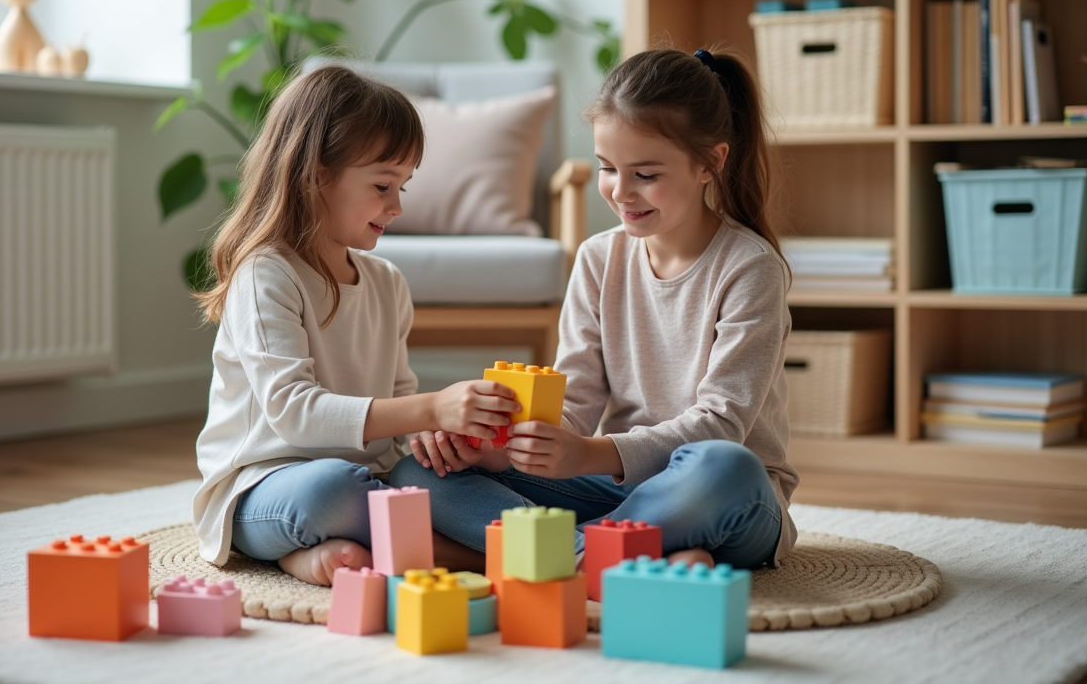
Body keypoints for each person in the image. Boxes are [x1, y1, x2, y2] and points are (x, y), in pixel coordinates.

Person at [391, 47, 799, 570]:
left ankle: (548, 551)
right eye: (608, 168)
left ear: (710, 163)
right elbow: (573, 406)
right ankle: (596, 554)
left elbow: (721, 424)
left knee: (725, 466)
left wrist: (589, 454)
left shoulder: (750, 267)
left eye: (646, 174)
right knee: (416, 474)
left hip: (722, 495)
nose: (621, 192)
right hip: (613, 489)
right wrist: (492, 448)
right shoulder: (597, 258)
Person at [192, 65, 517, 585]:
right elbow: (295, 414)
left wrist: (437, 437)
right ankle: (494, 557)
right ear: (318, 173)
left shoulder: (387, 283)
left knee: (428, 475)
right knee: (332, 491)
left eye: (403, 186)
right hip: (264, 487)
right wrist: (433, 405)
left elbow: (398, 404)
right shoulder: (266, 274)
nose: (397, 206)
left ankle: (327, 551)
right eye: (383, 185)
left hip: (368, 477)